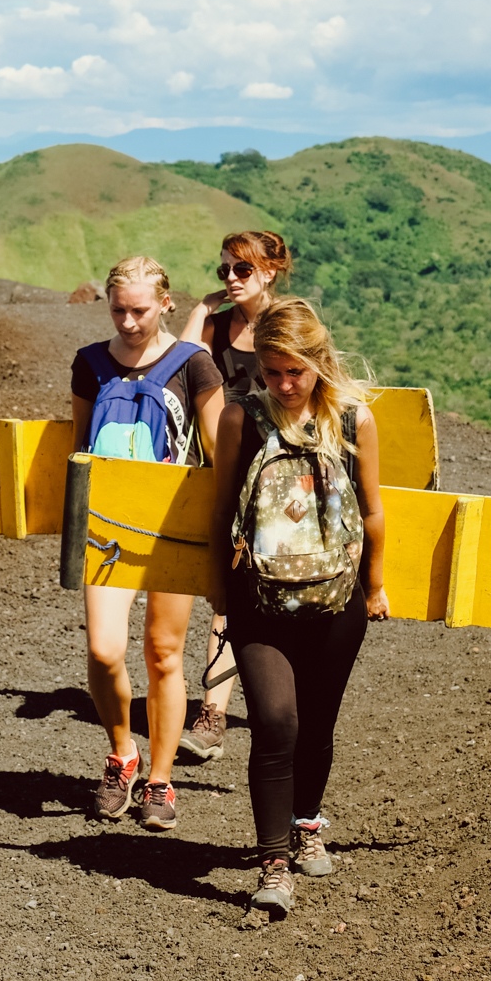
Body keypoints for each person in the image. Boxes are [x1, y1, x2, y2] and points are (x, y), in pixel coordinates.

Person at [206, 297, 388, 915]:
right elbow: (219, 507)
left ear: (319, 363)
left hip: (339, 600)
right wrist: (217, 591)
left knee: (316, 723)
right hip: (259, 597)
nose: (283, 385)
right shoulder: (241, 420)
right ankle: (274, 860)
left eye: (296, 372)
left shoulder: (354, 419)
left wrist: (380, 584)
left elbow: (373, 510)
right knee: (276, 723)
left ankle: (307, 819)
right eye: (271, 372)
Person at [73, 255, 225, 830]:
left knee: (164, 653)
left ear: (166, 303)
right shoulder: (89, 364)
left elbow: (217, 452)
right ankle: (122, 754)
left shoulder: (195, 364)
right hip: (108, 529)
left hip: (175, 528)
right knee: (104, 650)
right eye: (118, 309)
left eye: (140, 310)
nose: (129, 322)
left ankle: (160, 781)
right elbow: (77, 447)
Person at [180, 231, 293, 764]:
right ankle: (213, 715)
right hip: (222, 468)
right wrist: (201, 310)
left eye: (241, 270)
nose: (229, 279)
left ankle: (285, 707)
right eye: (223, 268)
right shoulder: (216, 324)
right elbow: (177, 369)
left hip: (278, 476)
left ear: (269, 272)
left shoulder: (289, 321)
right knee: (226, 587)